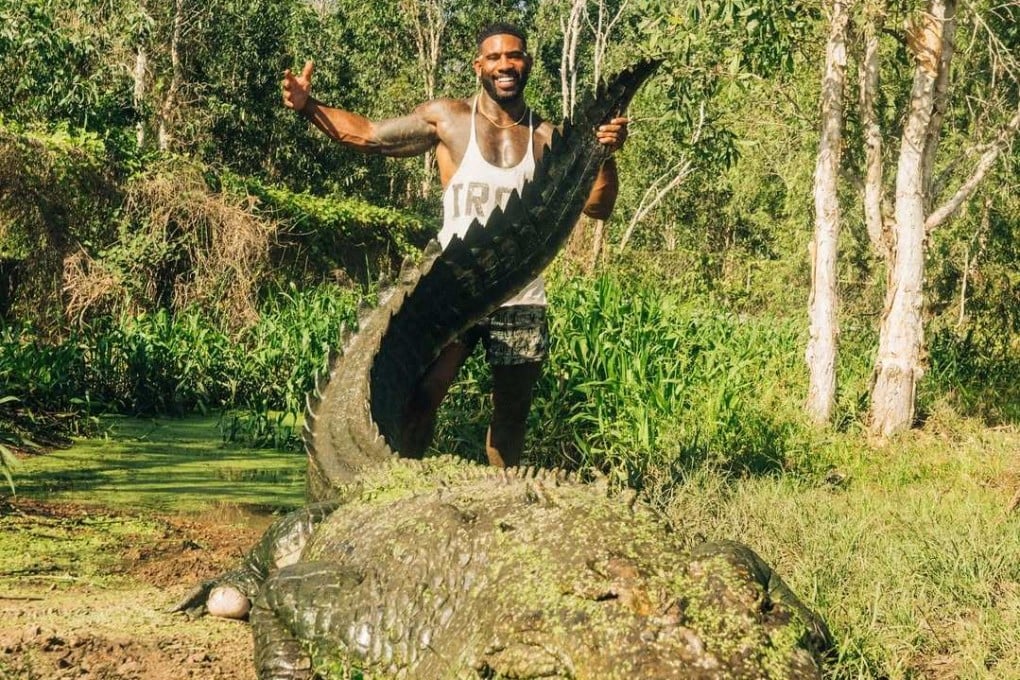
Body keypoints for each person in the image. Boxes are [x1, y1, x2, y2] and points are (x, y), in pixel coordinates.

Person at [282, 22, 628, 467]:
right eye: (496, 57)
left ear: (528, 64)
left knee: (511, 418)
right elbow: (368, 134)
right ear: (479, 66)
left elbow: (598, 209)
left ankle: (502, 512)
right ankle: (397, 496)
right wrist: (309, 106)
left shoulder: (547, 138)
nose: (506, 65)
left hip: (520, 295)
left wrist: (605, 155)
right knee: (422, 399)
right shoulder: (448, 120)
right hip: (451, 290)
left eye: (514, 56)